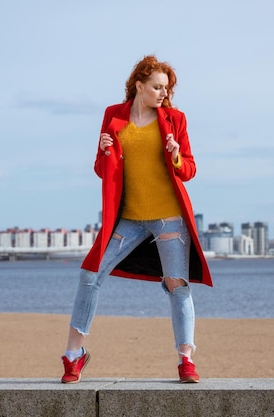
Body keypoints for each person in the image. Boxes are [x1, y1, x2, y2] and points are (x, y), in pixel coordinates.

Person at [61, 55, 213, 384]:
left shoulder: (175, 119)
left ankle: (186, 361)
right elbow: (103, 171)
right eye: (157, 87)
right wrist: (104, 152)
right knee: (90, 275)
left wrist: (174, 154)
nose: (163, 93)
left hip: (169, 218)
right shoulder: (113, 115)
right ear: (140, 86)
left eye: (167, 88)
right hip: (128, 218)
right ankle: (73, 356)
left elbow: (189, 170)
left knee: (178, 286)